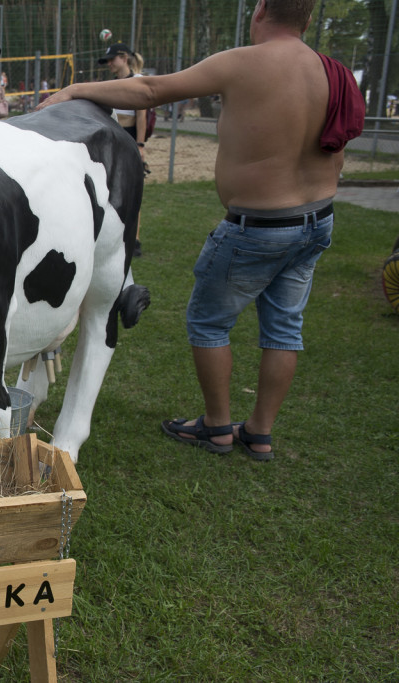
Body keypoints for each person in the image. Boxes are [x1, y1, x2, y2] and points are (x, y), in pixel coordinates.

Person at [37, 0, 364, 461]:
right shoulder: (334, 73)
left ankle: (216, 427)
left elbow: (150, 90)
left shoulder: (243, 63)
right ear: (308, 19)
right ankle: (260, 432)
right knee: (285, 329)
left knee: (209, 323)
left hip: (257, 227)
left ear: (261, 9)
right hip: (316, 221)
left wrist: (73, 90)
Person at [98, 42, 148, 256]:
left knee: (132, 188)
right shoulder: (113, 83)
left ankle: (134, 238)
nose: (109, 63)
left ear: (124, 58)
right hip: (115, 137)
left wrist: (140, 144)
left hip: (130, 136)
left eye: (112, 59)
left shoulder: (137, 81)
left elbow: (142, 115)